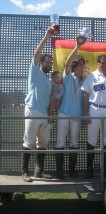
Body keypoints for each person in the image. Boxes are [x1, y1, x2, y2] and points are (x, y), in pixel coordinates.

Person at [21, 26, 57, 182]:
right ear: (41, 63)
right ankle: (24, 172)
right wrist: (47, 36)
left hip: (44, 114)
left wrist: (50, 116)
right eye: (46, 62)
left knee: (42, 144)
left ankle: (38, 172)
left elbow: (50, 102)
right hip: (33, 110)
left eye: (51, 63)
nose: (49, 64)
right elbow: (36, 54)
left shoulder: (49, 82)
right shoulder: (35, 72)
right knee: (28, 142)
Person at [81, 54, 106, 179]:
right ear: (97, 63)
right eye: (102, 63)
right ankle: (89, 168)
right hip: (95, 110)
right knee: (92, 139)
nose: (104, 65)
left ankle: (105, 168)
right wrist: (85, 113)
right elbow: (85, 95)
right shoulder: (92, 76)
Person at [55, 43, 86, 179]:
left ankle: (72, 170)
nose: (82, 67)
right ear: (74, 66)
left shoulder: (85, 81)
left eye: (83, 65)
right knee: (60, 142)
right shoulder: (67, 76)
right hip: (63, 113)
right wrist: (77, 46)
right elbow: (67, 62)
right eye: (80, 65)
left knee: (74, 142)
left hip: (77, 115)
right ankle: (59, 171)